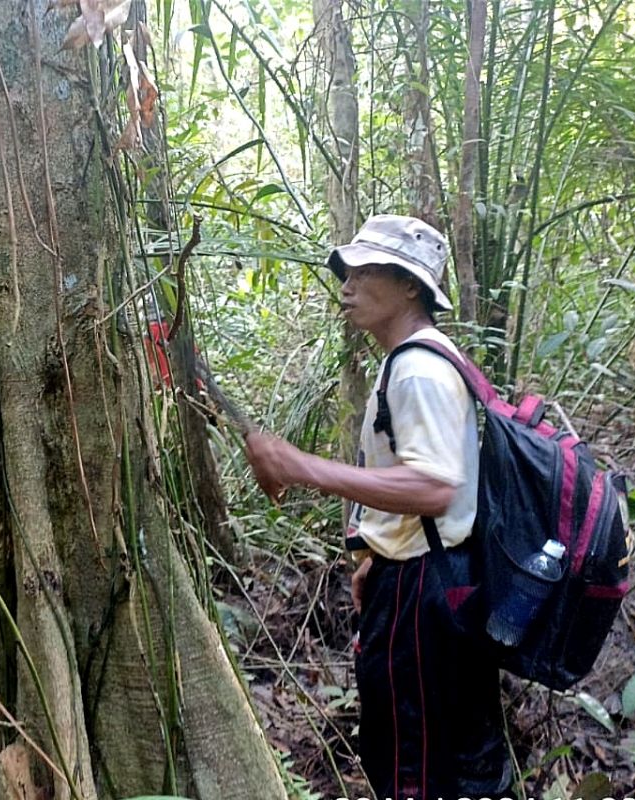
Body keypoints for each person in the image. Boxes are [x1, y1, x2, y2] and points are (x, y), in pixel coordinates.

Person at [245, 215, 511, 799]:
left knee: (412, 762)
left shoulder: (418, 369)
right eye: (348, 272)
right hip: (423, 575)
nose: (347, 286)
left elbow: (436, 487)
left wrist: (303, 467)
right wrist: (374, 555)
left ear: (411, 286)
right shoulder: (416, 359)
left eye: (366, 273)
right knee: (432, 748)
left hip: (426, 593)